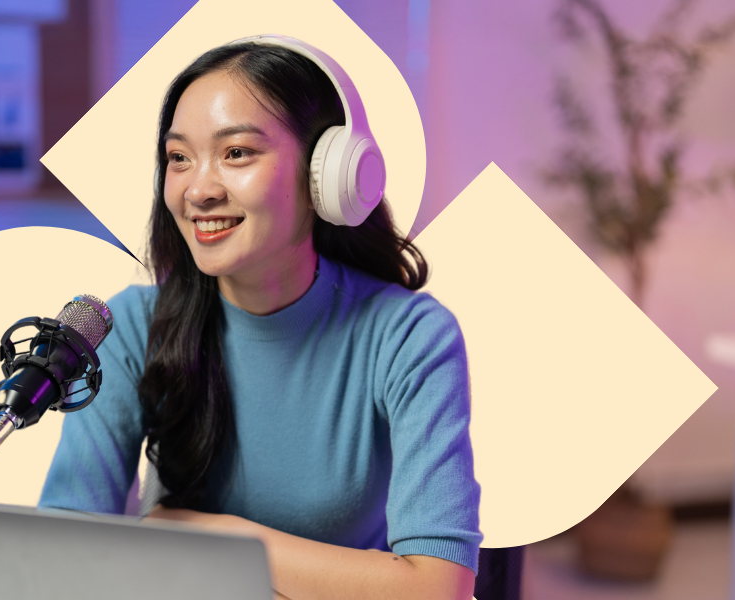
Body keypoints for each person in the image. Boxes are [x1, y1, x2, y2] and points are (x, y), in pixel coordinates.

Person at [39, 38, 481, 600]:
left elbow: (438, 588)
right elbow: (60, 555)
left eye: (237, 153)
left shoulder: (409, 337)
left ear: (327, 175)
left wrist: (202, 529)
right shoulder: (128, 327)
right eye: (179, 158)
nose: (198, 190)